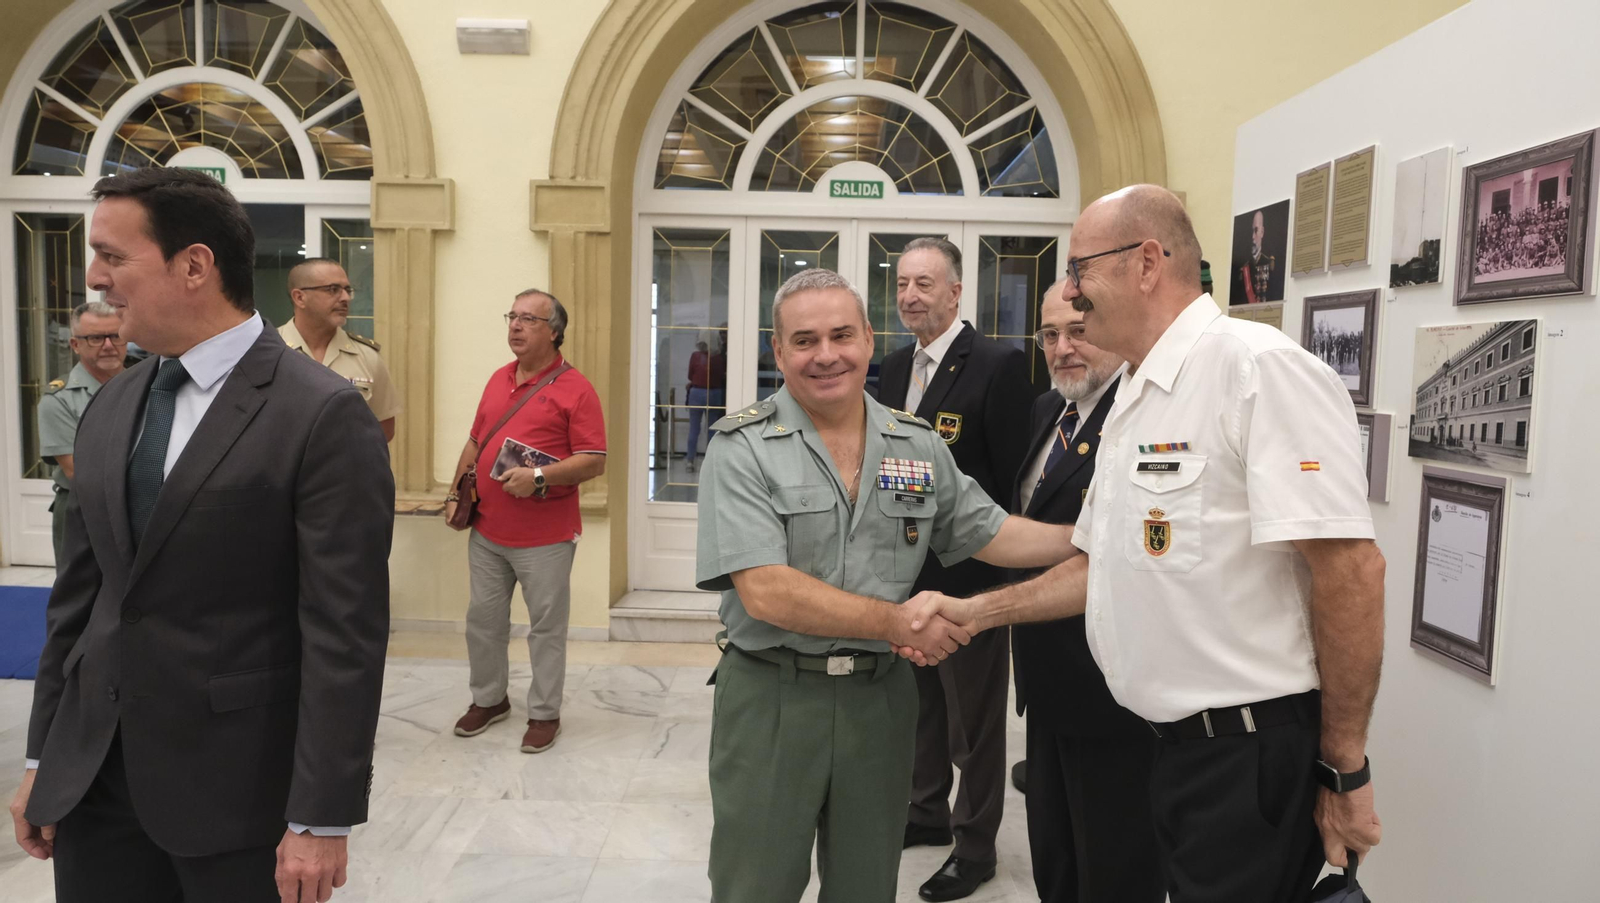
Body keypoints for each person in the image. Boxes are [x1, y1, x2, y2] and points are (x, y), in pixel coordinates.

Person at [905, 185, 1385, 903]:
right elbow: (1101, 563)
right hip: (1161, 748)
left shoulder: (1255, 369)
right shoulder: (1136, 392)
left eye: (1079, 269)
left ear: (1148, 262)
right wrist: (976, 614)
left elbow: (1351, 570)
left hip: (1244, 755)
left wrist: (1344, 769)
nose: (1070, 292)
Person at [10, 166, 394, 902]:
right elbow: (81, 602)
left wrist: (322, 816)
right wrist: (42, 759)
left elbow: (345, 630)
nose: (95, 277)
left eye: (114, 257)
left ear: (194, 265)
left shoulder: (320, 414)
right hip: (95, 789)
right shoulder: (112, 404)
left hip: (237, 798)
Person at [696, 267, 1078, 903]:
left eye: (842, 335)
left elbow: (992, 532)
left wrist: (1094, 537)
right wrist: (896, 623)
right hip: (772, 697)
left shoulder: (914, 444)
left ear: (869, 340)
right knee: (754, 884)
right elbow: (767, 591)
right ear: (778, 350)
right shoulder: (745, 447)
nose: (826, 356)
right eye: (805, 340)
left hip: (880, 702)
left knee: (866, 885)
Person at [875, 237, 1033, 902]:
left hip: (971, 576)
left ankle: (975, 846)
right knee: (921, 708)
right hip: (904, 572)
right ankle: (926, 811)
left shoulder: (997, 364)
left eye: (925, 284)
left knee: (975, 724)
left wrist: (1004, 577)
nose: (910, 295)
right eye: (903, 283)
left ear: (955, 292)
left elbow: (1014, 477)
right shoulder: (888, 368)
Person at [1009, 279, 1164, 903]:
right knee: (1056, 860)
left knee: (1113, 872)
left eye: (1077, 330)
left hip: (1111, 697)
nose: (1063, 347)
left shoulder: (1142, 417)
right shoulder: (1048, 411)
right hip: (1046, 686)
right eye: (1049, 335)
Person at [445, 288, 607, 755]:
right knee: (484, 621)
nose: (515, 326)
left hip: (545, 539)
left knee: (545, 629)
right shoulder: (499, 378)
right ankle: (489, 699)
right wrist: (457, 494)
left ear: (554, 332)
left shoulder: (577, 390)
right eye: (512, 317)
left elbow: (594, 460)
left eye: (528, 320)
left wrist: (539, 476)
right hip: (488, 530)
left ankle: (544, 713)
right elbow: (476, 442)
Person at [36, 300, 126, 568]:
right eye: (96, 338)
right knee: (78, 599)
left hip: (137, 507)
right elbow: (79, 471)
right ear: (76, 345)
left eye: (116, 336)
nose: (109, 345)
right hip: (82, 510)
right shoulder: (59, 400)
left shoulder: (148, 384)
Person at [278, 257, 400, 442]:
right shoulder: (269, 352)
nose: (345, 298)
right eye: (333, 290)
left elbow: (384, 429)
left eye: (347, 290)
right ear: (300, 297)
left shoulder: (367, 357)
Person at [684, 333, 725, 473]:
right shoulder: (719, 358)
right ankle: (710, 462)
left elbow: (690, 375)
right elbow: (721, 376)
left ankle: (690, 461)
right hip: (714, 393)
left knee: (694, 429)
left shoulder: (696, 356)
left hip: (696, 393)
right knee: (712, 429)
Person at [1232, 209, 1277, 304]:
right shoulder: (1242, 267)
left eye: (1256, 230)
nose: (1252, 236)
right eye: (1251, 231)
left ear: (1262, 232)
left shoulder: (1269, 263)